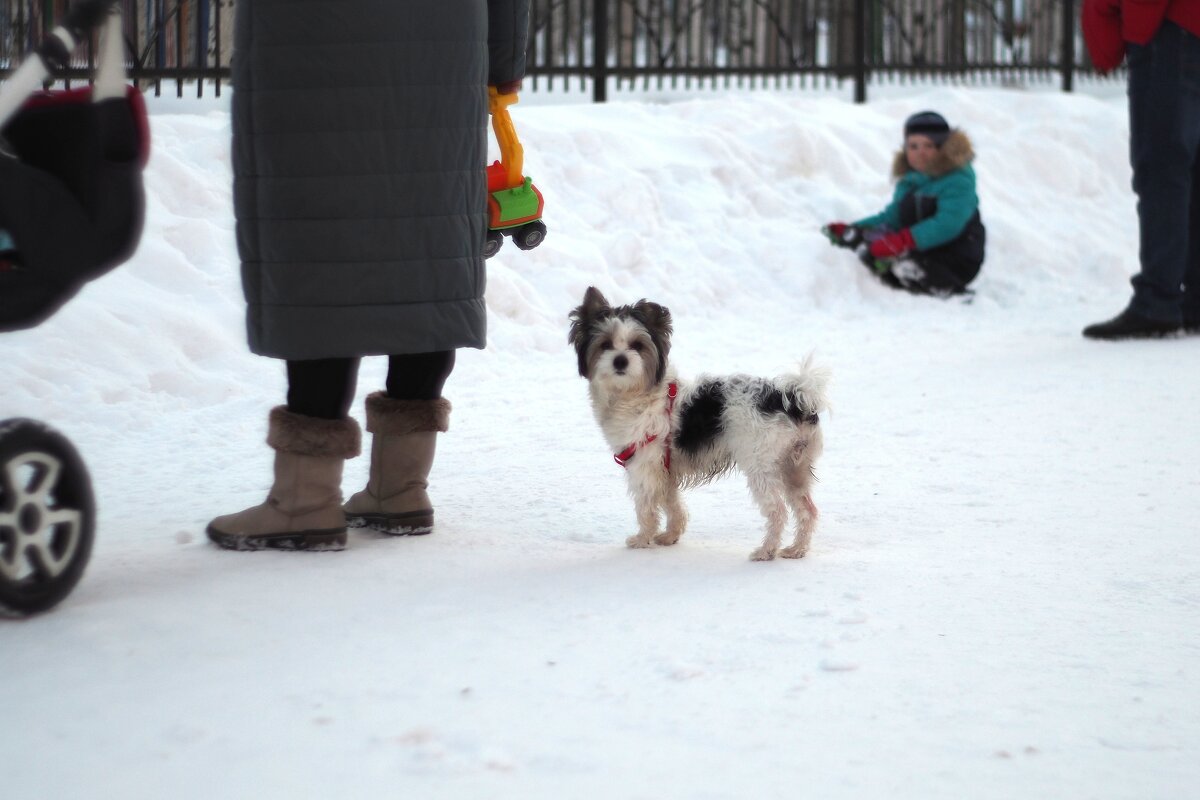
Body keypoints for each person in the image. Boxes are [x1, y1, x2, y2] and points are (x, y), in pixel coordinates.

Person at [207, 0, 530, 551]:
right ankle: (399, 488)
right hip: (442, 55)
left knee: (323, 257)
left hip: (309, 47)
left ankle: (304, 500)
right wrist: (501, 62)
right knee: (427, 257)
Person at [1080, 0, 1200, 339]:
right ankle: (1194, 298)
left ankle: (1158, 301)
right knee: (1190, 165)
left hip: (1169, 27)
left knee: (1163, 165)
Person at [823, 111, 986, 297]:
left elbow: (947, 224)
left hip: (957, 257)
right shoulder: (910, 180)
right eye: (913, 146)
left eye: (928, 146)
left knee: (906, 263)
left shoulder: (958, 179)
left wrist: (902, 241)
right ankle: (889, 268)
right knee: (875, 250)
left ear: (943, 148)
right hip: (921, 250)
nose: (920, 153)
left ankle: (953, 291)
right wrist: (857, 229)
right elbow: (893, 218)